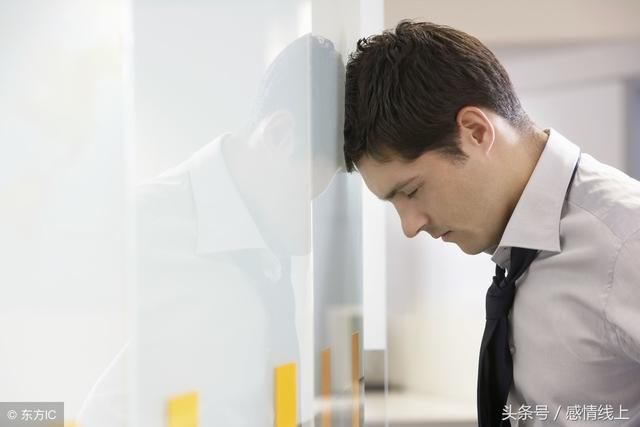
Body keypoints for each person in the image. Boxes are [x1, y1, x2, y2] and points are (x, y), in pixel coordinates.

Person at [343, 20, 640, 426]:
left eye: (410, 191)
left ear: (476, 131)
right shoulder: (517, 255)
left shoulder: (627, 240)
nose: (410, 226)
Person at [77, 34, 345, 426]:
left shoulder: (267, 238)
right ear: (279, 136)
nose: (309, 231)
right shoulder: (143, 225)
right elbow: (98, 402)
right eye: (305, 197)